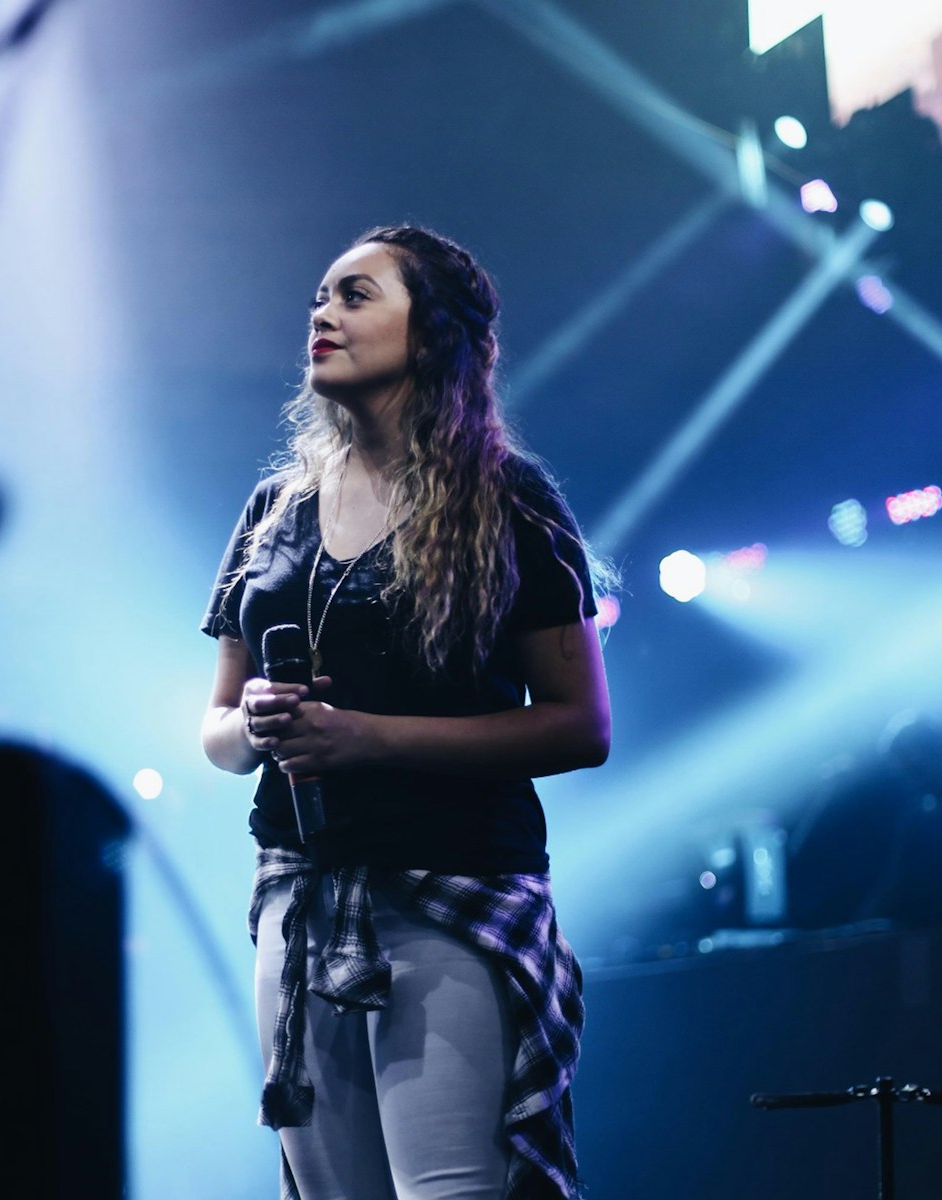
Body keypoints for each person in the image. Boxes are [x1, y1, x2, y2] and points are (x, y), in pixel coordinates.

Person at [200, 225, 613, 1200]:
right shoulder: (274, 510)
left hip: (449, 893)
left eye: (355, 295)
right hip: (298, 898)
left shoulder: (510, 500)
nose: (323, 314)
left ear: (431, 333)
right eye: (319, 297)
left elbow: (580, 725)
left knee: (451, 1189)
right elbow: (215, 731)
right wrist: (252, 727)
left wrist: (365, 738)